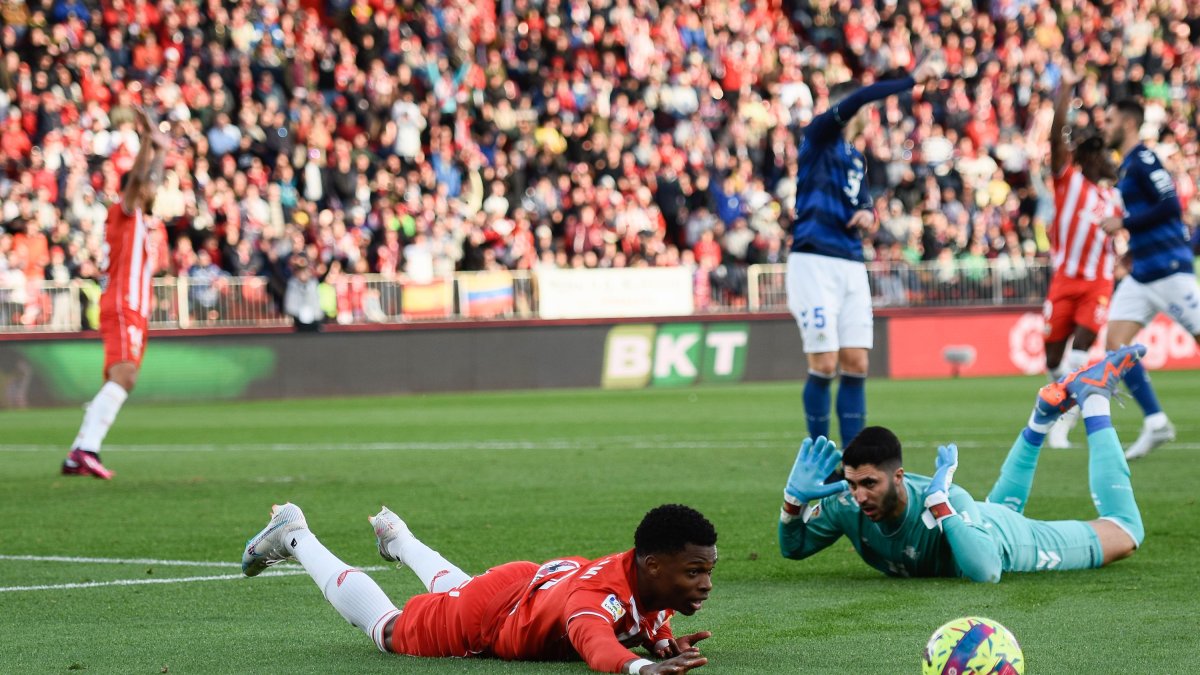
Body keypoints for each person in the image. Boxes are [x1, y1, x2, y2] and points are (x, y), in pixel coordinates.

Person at [777, 345, 1146, 583]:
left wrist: (941, 503)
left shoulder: (947, 498)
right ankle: (1042, 415)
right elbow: (794, 549)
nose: (859, 495)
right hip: (978, 521)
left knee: (1126, 532)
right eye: (854, 484)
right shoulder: (846, 503)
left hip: (1007, 541)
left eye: (870, 484)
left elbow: (986, 571)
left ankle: (1095, 399)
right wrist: (793, 503)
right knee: (994, 510)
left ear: (899, 477)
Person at [241, 503, 717, 674]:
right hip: (488, 621)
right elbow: (595, 644)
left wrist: (659, 642)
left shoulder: (644, 579)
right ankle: (293, 533)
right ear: (653, 565)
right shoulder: (597, 599)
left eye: (706, 570)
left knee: (463, 593)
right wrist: (638, 667)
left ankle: (397, 537)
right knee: (387, 630)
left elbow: (640, 612)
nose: (706, 583)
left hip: (526, 588)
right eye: (694, 572)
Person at [786, 59, 943, 449]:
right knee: (824, 364)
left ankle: (854, 462)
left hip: (851, 263)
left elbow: (863, 205)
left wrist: (867, 215)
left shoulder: (856, 158)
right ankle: (820, 457)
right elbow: (861, 95)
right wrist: (910, 81)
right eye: (866, 109)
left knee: (856, 363)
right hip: (814, 260)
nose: (869, 116)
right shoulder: (819, 135)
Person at [61, 107, 171, 479]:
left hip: (129, 306)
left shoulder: (139, 217)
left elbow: (149, 176)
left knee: (119, 378)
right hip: (124, 304)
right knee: (124, 377)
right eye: (148, 187)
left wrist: (162, 150)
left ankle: (81, 450)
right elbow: (140, 178)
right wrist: (146, 145)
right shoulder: (123, 213)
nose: (154, 187)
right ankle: (86, 449)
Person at [1100, 99, 1200, 459]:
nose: (1104, 126)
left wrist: (1124, 224)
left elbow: (1170, 204)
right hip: (1143, 272)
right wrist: (1132, 250)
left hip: (1170, 269)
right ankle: (1156, 422)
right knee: (1115, 344)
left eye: (1109, 119)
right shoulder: (1126, 167)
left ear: (1127, 123)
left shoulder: (1143, 159)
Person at [1040, 68, 1122, 449]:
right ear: (1092, 157)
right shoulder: (1069, 181)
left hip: (1098, 283)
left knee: (1084, 350)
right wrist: (1066, 90)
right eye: (1106, 154)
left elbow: (1139, 228)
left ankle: (1068, 417)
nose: (1111, 161)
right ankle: (1069, 401)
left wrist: (1126, 263)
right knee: (1054, 357)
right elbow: (1056, 137)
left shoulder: (1114, 199)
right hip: (1064, 280)